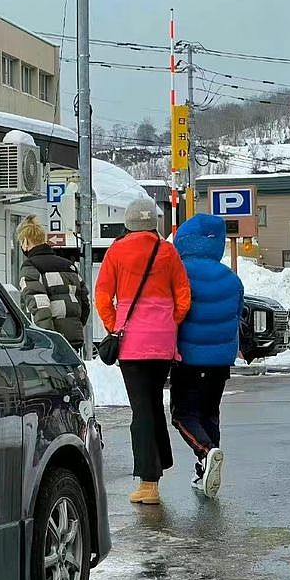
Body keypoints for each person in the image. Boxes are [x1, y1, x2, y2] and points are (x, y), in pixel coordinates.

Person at [95, 197, 191, 505]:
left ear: (128, 223)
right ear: (153, 224)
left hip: (133, 343)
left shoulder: (117, 251)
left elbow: (102, 296)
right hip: (163, 342)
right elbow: (183, 296)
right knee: (151, 402)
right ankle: (161, 461)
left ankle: (148, 483)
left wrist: (115, 325)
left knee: (141, 409)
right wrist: (168, 322)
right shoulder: (167, 251)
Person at [171, 213, 244, 498]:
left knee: (182, 415)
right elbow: (237, 315)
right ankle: (205, 469)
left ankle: (206, 451)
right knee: (209, 413)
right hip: (220, 362)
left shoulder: (180, 274)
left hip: (188, 359)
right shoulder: (232, 279)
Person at [17, 215, 90, 351]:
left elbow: (40, 306)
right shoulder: (69, 266)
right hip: (74, 337)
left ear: (25, 242)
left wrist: (47, 340)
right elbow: (85, 302)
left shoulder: (31, 267)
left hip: (53, 342)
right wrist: (76, 326)